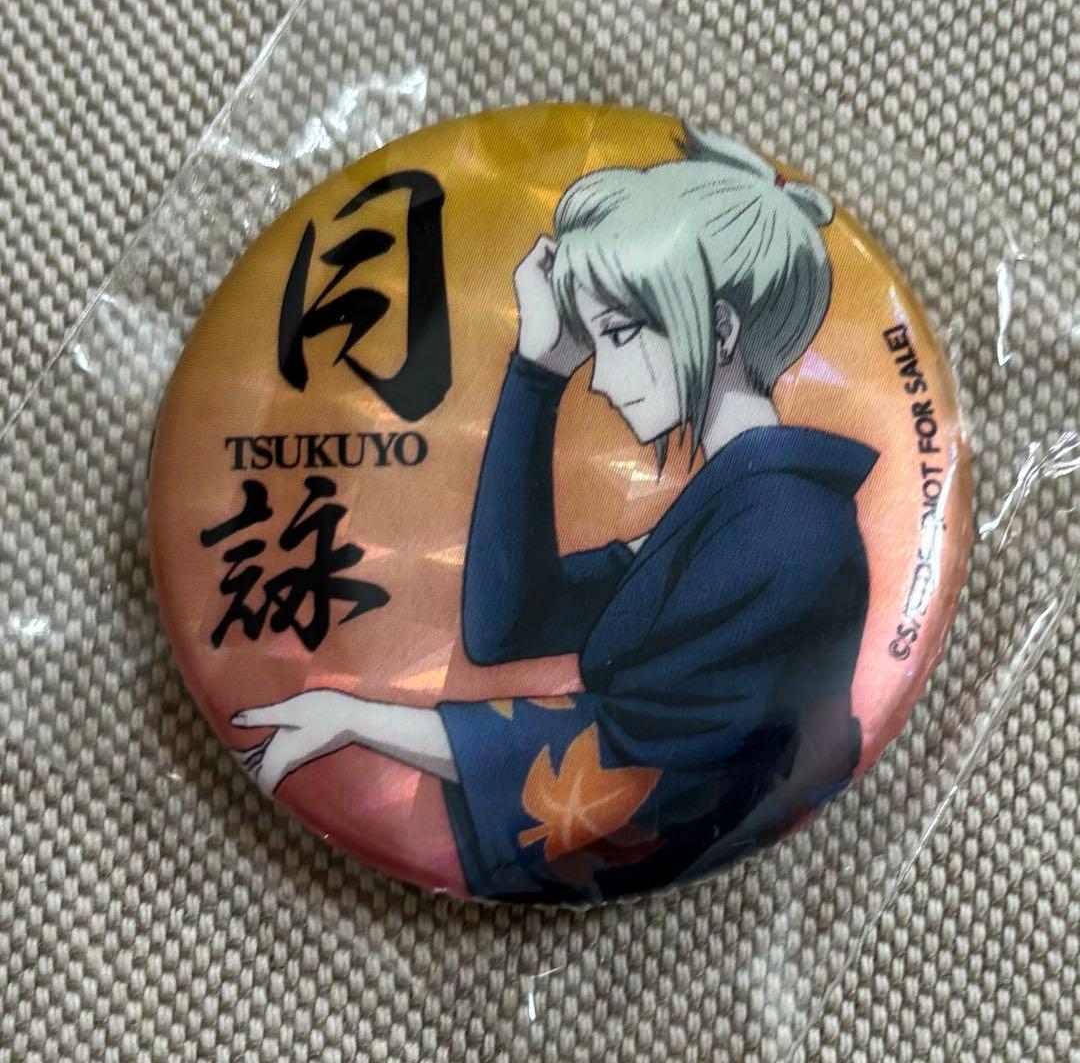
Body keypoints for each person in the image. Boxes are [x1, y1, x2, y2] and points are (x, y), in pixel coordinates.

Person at [232, 126, 878, 902]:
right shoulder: (738, 505)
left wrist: (358, 719)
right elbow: (508, 624)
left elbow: (621, 748)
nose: (598, 378)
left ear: (720, 330)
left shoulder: (782, 532)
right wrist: (538, 369)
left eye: (619, 334)